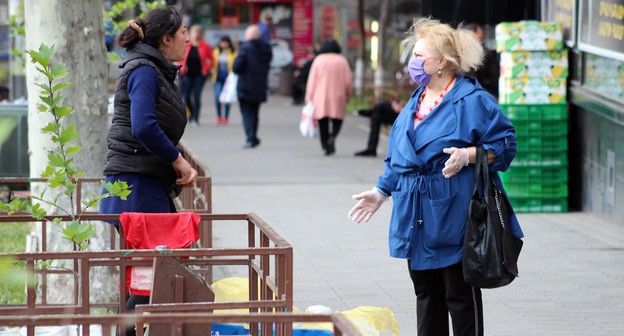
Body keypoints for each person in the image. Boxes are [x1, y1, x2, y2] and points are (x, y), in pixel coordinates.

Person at [348, 17, 523, 336]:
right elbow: (399, 157)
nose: (413, 64)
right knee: (426, 295)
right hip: (416, 216)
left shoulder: (471, 100)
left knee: (459, 296)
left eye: (419, 57)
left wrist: (467, 155)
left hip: (455, 214)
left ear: (441, 62)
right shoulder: (416, 101)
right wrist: (381, 191)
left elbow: (506, 143)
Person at [99, 8, 197, 335]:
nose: (188, 38)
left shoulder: (153, 68)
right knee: (151, 277)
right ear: (166, 39)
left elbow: (152, 128)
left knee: (147, 276)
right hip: (135, 186)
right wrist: (178, 160)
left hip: (144, 184)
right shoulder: (144, 70)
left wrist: (177, 156)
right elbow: (143, 127)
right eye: (183, 31)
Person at [305, 39, 352, 156]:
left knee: (322, 120)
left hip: (321, 95)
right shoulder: (342, 60)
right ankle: (333, 136)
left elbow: (312, 80)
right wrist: (348, 95)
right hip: (338, 95)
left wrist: (309, 96)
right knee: (338, 119)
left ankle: (325, 145)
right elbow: (348, 81)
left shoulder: (318, 60)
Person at [233, 25, 273, 149]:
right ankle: (254, 136)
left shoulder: (245, 48)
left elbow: (236, 67)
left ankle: (250, 138)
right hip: (260, 86)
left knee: (246, 113)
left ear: (251, 36)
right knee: (255, 113)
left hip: (245, 86)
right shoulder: (266, 49)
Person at [179, 24, 214, 126]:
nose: (197, 34)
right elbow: (180, 57)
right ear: (191, 33)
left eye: (199, 32)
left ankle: (196, 118)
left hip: (199, 75)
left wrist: (206, 69)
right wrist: (182, 67)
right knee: (186, 96)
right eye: (195, 32)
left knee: (197, 96)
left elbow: (211, 60)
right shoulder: (186, 44)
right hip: (187, 74)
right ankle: (191, 115)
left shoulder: (205, 45)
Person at [465, 23, 499, 97]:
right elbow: (470, 82)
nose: (481, 44)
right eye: (479, 40)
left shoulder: (485, 52)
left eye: (482, 40)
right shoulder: (462, 55)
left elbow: (493, 78)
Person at [212, 35, 237, 125]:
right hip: (217, 78)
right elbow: (211, 62)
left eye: (225, 42)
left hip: (228, 79)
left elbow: (236, 64)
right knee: (218, 97)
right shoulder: (216, 52)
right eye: (222, 42)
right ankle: (219, 116)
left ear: (229, 43)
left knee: (227, 98)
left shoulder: (233, 53)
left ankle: (226, 117)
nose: (224, 44)